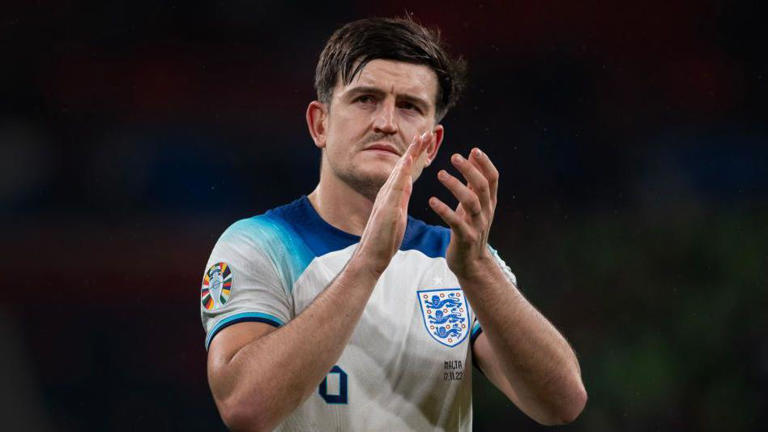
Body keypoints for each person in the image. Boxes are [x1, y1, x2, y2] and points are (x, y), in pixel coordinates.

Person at [200, 16, 587, 431]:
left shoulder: (458, 259)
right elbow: (244, 407)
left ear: (432, 145)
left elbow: (561, 403)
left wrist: (477, 270)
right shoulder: (258, 244)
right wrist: (368, 262)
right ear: (320, 124)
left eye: (409, 106)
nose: (386, 122)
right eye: (365, 99)